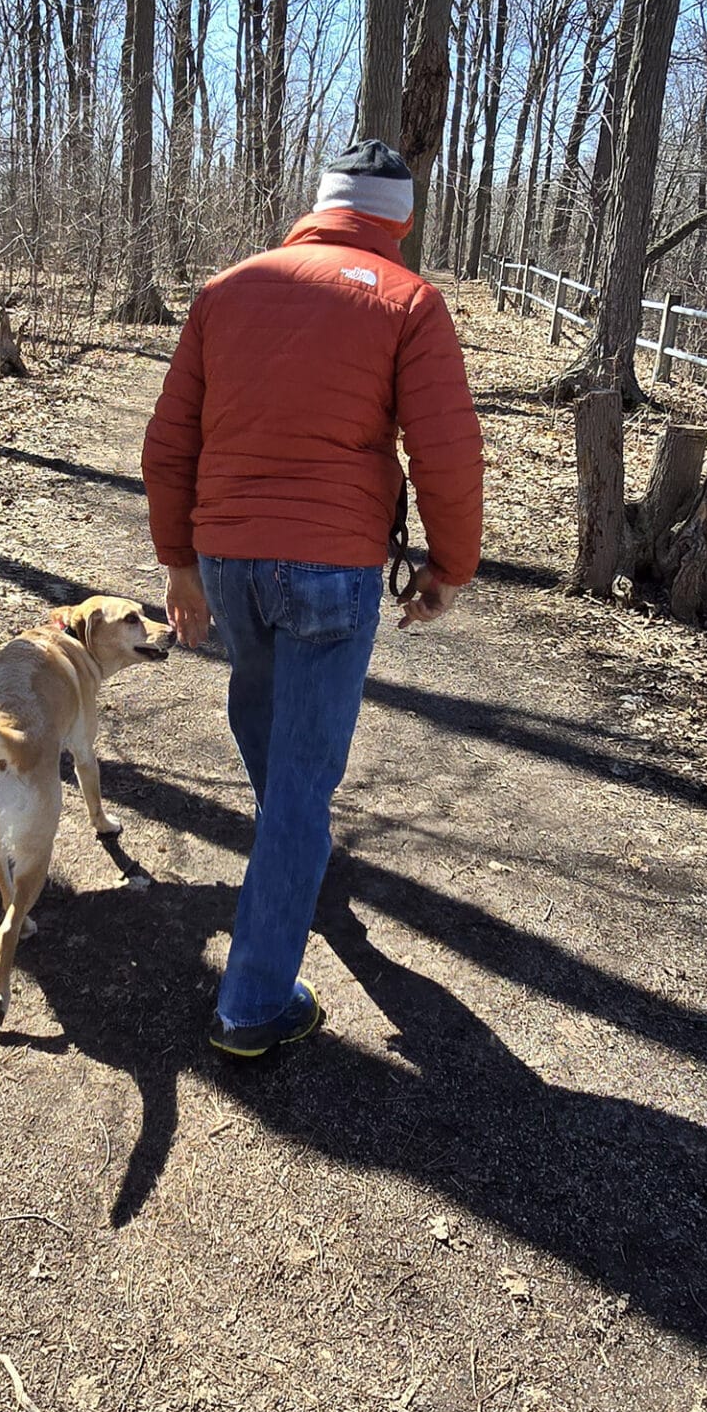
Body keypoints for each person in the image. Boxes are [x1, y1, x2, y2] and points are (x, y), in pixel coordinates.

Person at [141, 139, 484, 1058]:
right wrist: (448, 566)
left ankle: (290, 856)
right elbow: (446, 451)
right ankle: (254, 1002)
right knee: (300, 781)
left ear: (320, 204)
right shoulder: (409, 302)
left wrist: (179, 563)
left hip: (228, 561)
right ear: (399, 221)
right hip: (332, 567)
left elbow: (168, 444)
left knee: (263, 716)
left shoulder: (227, 289)